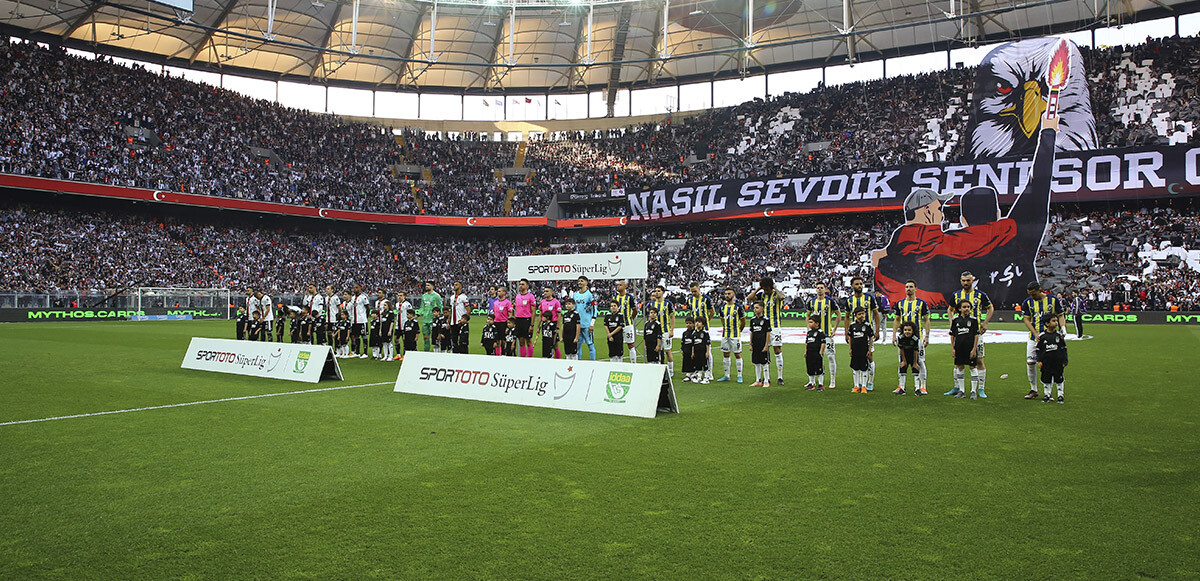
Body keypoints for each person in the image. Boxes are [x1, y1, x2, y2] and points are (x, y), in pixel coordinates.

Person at [948, 272, 994, 397]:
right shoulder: (956, 295)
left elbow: (990, 308)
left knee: (979, 359)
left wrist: (985, 323)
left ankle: (981, 389)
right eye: (963, 280)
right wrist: (952, 322)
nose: (966, 283)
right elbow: (950, 309)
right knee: (958, 361)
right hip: (960, 333)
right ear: (960, 281)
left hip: (975, 333)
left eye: (968, 280)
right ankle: (957, 387)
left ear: (972, 280)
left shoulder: (980, 295)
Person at [1021, 281, 1066, 399]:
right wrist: (1035, 333)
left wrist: (1063, 328)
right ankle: (1033, 389)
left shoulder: (1053, 300)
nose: (1032, 297)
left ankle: (1049, 392)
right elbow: (1026, 319)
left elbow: (1060, 315)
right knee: (1030, 362)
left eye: (1034, 294)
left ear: (1039, 290)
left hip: (1050, 338)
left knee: (1049, 364)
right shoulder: (1027, 303)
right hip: (1033, 337)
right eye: (1030, 294)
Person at [893, 280, 931, 395]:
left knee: (920, 361)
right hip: (903, 338)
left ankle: (923, 386)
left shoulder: (921, 303)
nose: (908, 289)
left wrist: (927, 336)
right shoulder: (900, 304)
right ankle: (901, 386)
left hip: (917, 338)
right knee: (902, 361)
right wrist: (894, 335)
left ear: (916, 289)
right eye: (907, 287)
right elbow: (897, 319)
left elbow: (926, 319)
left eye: (911, 287)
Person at [845, 276, 881, 390]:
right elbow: (846, 317)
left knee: (869, 357)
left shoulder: (869, 298)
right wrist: (846, 332)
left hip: (867, 332)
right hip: (855, 333)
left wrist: (877, 330)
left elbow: (876, 314)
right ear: (852, 286)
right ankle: (858, 383)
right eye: (857, 284)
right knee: (856, 357)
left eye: (861, 284)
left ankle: (870, 382)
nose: (859, 286)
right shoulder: (849, 300)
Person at [805, 281, 842, 389]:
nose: (820, 289)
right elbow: (808, 316)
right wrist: (808, 329)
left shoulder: (830, 301)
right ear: (816, 290)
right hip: (814, 336)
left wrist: (834, 329)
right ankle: (812, 381)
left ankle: (832, 380)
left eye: (821, 287)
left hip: (827, 334)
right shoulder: (811, 302)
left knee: (830, 356)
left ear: (825, 289)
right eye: (818, 288)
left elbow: (838, 315)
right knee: (813, 357)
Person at [750, 277, 786, 385]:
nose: (765, 290)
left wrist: (775, 288)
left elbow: (782, 297)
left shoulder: (776, 295)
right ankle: (767, 378)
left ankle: (780, 377)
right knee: (763, 350)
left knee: (777, 349)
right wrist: (758, 289)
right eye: (764, 288)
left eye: (766, 288)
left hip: (775, 326)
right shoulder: (762, 295)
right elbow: (750, 297)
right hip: (763, 327)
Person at [949, 299, 981, 399]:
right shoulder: (955, 320)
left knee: (972, 367)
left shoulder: (973, 320)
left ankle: (973, 391)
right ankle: (962, 391)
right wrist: (953, 348)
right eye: (964, 307)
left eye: (968, 307)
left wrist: (974, 349)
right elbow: (952, 335)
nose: (967, 309)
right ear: (959, 308)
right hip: (959, 347)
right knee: (959, 367)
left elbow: (976, 335)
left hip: (970, 347)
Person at [1035, 316, 1069, 403]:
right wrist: (1039, 361)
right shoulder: (1042, 336)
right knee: (1046, 379)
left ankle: (1060, 395)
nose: (1056, 323)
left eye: (1057, 321)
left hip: (1058, 362)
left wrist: (1065, 360)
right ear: (1047, 324)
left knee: (1059, 379)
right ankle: (1047, 394)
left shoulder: (1059, 336)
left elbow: (1063, 348)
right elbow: (1038, 350)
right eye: (1053, 321)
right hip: (1046, 362)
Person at [687, 283, 717, 381]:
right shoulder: (690, 300)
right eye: (692, 291)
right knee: (696, 349)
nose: (693, 293)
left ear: (699, 289)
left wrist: (706, 321)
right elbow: (691, 312)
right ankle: (698, 371)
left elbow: (712, 311)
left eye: (695, 291)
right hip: (695, 329)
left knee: (708, 350)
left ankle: (710, 372)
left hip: (705, 328)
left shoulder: (706, 299)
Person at [716, 287, 745, 383]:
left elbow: (743, 321)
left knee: (737, 354)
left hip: (735, 335)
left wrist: (739, 330)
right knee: (725, 354)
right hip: (725, 335)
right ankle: (726, 375)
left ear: (734, 295)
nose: (727, 295)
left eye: (729, 293)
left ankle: (739, 376)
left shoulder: (738, 307)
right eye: (726, 294)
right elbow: (722, 319)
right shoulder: (722, 308)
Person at [646, 286, 675, 375]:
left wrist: (672, 330)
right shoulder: (652, 304)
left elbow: (672, 317)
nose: (656, 293)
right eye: (655, 291)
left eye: (658, 291)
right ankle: (659, 368)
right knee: (657, 350)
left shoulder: (668, 304)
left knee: (667, 350)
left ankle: (670, 370)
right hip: (655, 332)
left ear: (663, 292)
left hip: (665, 331)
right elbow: (649, 317)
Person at [847, 307, 874, 394]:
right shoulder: (852, 325)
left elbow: (871, 338)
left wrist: (869, 350)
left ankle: (864, 386)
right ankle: (856, 386)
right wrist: (850, 348)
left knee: (864, 368)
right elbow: (850, 337)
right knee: (855, 368)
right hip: (855, 349)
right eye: (859, 314)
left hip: (864, 349)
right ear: (855, 316)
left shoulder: (867, 325)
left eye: (863, 313)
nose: (861, 315)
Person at [895, 321, 924, 396]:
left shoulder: (915, 339)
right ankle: (902, 388)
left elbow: (915, 351)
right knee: (902, 369)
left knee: (915, 370)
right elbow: (901, 349)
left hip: (913, 356)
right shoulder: (901, 338)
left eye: (909, 330)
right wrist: (904, 361)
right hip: (904, 356)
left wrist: (915, 363)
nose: (907, 332)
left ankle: (917, 388)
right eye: (905, 330)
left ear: (913, 331)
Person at [572, 276, 597, 361]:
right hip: (578, 325)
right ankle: (578, 363)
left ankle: (592, 364)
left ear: (586, 283)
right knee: (578, 345)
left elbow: (595, 309)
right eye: (578, 281)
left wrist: (592, 324)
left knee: (590, 344)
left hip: (587, 324)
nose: (579, 282)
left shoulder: (590, 295)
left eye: (582, 281)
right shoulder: (575, 295)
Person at [614, 280, 638, 363]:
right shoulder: (615, 297)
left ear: (625, 287)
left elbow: (635, 310)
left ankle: (633, 363)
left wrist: (630, 318)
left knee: (631, 345)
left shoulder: (629, 297)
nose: (618, 286)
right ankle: (619, 364)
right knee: (618, 345)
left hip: (627, 325)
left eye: (620, 285)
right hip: (617, 326)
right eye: (618, 285)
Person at [749, 301, 773, 387]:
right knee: (756, 362)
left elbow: (768, 333)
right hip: (755, 344)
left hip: (763, 343)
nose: (755, 309)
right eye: (754, 308)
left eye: (757, 308)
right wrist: (750, 344)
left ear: (762, 309)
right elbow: (751, 332)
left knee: (764, 362)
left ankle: (766, 380)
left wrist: (767, 345)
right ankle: (758, 380)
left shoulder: (766, 320)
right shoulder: (752, 320)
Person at [513, 279, 537, 358]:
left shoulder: (531, 296)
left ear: (527, 286)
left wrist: (532, 325)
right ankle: (523, 359)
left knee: (528, 341)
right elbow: (516, 309)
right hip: (518, 320)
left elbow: (533, 311)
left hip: (527, 320)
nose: (520, 286)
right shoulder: (517, 296)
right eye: (520, 284)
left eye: (523, 284)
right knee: (521, 341)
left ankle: (530, 359)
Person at [681, 317, 709, 383]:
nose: (697, 323)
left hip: (703, 351)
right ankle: (698, 377)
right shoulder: (694, 333)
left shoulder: (705, 333)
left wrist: (707, 352)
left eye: (699, 322)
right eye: (696, 322)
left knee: (704, 364)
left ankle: (706, 378)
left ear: (703, 324)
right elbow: (693, 344)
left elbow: (707, 344)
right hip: (696, 351)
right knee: (697, 364)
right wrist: (693, 352)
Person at [538, 287, 563, 359]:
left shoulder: (556, 302)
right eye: (544, 291)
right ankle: (547, 357)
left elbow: (559, 316)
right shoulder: (542, 302)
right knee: (545, 342)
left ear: (551, 293)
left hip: (553, 324)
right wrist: (538, 327)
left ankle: (557, 359)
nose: (545, 292)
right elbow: (540, 315)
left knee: (555, 344)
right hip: (545, 325)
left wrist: (557, 327)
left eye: (547, 291)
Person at [803, 315, 826, 391]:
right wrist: (806, 351)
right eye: (809, 322)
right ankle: (811, 383)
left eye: (811, 322)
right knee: (810, 369)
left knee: (819, 369)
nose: (809, 324)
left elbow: (823, 343)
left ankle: (821, 384)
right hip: (810, 353)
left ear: (817, 324)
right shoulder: (809, 333)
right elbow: (807, 343)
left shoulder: (820, 333)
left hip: (816, 353)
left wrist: (821, 352)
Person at [419, 281, 443, 352]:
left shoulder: (437, 296)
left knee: (435, 337)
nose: (426, 286)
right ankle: (426, 353)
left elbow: (440, 306)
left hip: (433, 320)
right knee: (426, 338)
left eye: (428, 285)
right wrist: (417, 314)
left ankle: (437, 352)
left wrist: (440, 317)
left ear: (433, 286)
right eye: (426, 285)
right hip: (425, 319)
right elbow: (422, 307)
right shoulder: (423, 296)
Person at [349, 283, 370, 358]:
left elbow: (368, 308)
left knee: (363, 336)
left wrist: (365, 317)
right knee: (356, 336)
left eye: (356, 288)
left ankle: (365, 353)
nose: (355, 289)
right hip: (355, 320)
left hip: (362, 320)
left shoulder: (363, 297)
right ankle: (357, 352)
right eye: (354, 288)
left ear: (360, 288)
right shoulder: (353, 298)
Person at [449, 282, 471, 353]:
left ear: (460, 286)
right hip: (453, 323)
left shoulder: (464, 297)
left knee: (462, 342)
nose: (454, 286)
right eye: (454, 285)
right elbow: (451, 310)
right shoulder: (452, 297)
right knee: (454, 341)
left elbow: (468, 310)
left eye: (456, 285)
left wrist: (464, 320)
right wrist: (449, 321)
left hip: (460, 323)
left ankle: (464, 356)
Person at [491, 287, 513, 356]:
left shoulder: (508, 303)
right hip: (496, 323)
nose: (498, 292)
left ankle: (504, 354)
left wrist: (508, 325)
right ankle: (498, 355)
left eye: (500, 291)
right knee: (497, 340)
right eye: (498, 291)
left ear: (504, 293)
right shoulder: (495, 303)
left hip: (504, 323)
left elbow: (510, 315)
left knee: (504, 341)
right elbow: (494, 313)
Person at [394, 290, 412, 360]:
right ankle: (398, 354)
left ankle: (405, 355)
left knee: (405, 340)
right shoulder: (397, 304)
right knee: (396, 339)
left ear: (404, 296)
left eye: (401, 295)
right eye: (398, 295)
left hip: (404, 325)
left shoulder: (407, 304)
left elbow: (411, 313)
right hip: (398, 325)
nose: (399, 297)